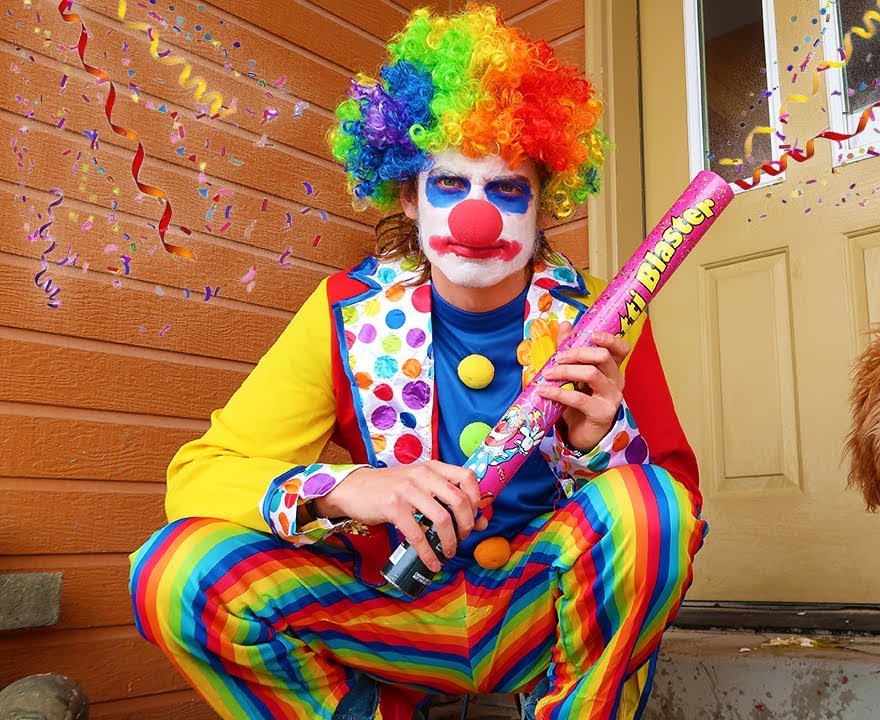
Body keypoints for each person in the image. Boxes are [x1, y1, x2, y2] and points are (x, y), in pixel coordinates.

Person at [127, 6, 705, 719]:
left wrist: (602, 444)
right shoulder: (344, 310)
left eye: (507, 190)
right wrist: (351, 489)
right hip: (387, 616)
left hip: (540, 612)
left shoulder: (603, 315)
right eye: (450, 186)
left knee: (650, 511)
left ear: (543, 205)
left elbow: (672, 508)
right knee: (174, 572)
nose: (477, 217)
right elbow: (199, 479)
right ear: (408, 194)